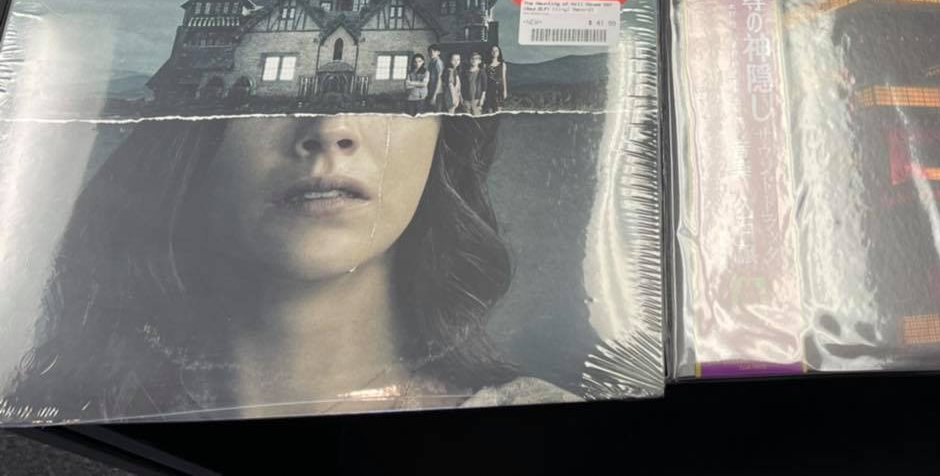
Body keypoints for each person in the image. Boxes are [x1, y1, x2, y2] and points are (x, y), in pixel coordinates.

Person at [7, 114, 574, 419]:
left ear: (443, 131)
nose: (330, 130)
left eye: (389, 88)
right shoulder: (55, 418)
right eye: (275, 88)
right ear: (190, 130)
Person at [481, 46, 508, 114]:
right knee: (489, 111)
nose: (494, 52)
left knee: (498, 110)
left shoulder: (502, 64)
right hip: (489, 89)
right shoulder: (485, 65)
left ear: (499, 52)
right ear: (490, 52)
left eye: (496, 50)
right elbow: (483, 80)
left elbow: (504, 78)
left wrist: (505, 90)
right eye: (493, 50)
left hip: (499, 89)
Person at [461, 51, 486, 117]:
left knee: (477, 117)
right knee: (467, 118)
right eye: (472, 58)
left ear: (479, 61)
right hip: (466, 99)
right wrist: (462, 98)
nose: (474, 60)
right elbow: (461, 86)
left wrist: (482, 99)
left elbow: (484, 87)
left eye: (476, 58)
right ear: (469, 60)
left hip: (477, 99)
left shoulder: (481, 72)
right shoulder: (465, 72)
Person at [425, 45, 444, 112]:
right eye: (430, 51)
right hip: (431, 89)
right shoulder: (431, 62)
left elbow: (439, 80)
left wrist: (434, 96)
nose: (432, 53)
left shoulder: (438, 62)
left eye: (434, 51)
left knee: (437, 112)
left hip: (437, 92)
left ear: (438, 52)